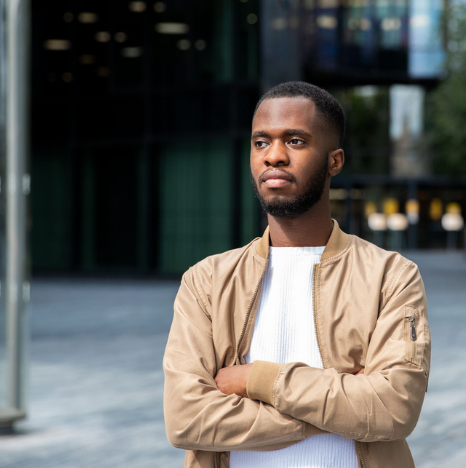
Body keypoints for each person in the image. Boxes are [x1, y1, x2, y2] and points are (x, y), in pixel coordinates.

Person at [163, 81, 430, 468]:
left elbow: (392, 409)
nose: (274, 156)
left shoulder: (390, 276)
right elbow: (186, 418)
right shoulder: (207, 281)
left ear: (334, 161)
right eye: (260, 143)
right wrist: (338, 412)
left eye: (295, 141)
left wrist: (255, 379)